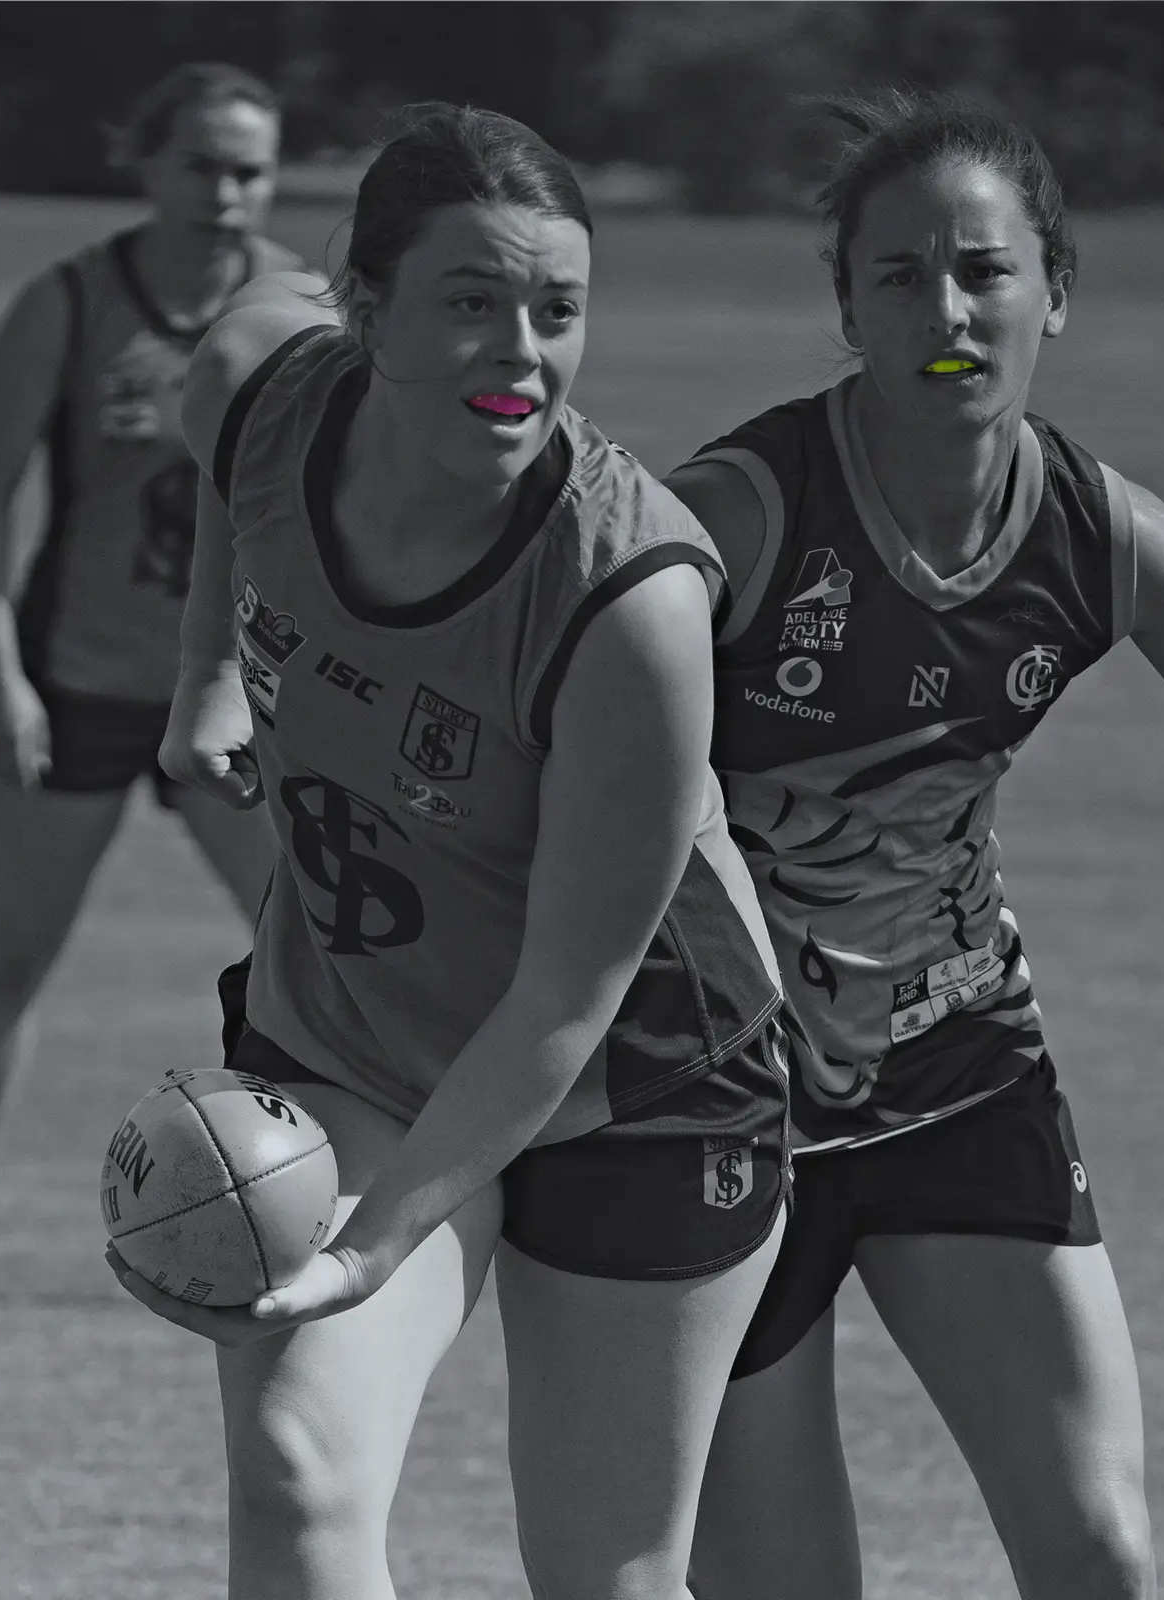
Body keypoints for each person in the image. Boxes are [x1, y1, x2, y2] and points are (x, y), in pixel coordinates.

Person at [669, 90, 1164, 1600]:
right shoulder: (740, 518)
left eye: (984, 269)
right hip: (719, 1103)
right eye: (898, 276)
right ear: (847, 310)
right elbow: (562, 736)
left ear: (1058, 293)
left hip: (960, 1072)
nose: (947, 308)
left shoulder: (1099, 533)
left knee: (1102, 1557)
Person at [105, 102, 790, 1600]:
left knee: (604, 1579)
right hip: (355, 1039)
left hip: (641, 1087)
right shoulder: (270, 391)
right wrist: (206, 671)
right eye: (471, 303)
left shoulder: (634, 599)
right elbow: (231, 425)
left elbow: (564, 996)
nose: (523, 352)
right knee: (297, 1481)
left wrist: (374, 1249)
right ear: (363, 307)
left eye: (557, 312)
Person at [0, 64, 298, 1290]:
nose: (226, 193)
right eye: (200, 164)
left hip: (229, 694)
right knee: (14, 950)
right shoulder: (71, 304)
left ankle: (302, 1194)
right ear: (142, 160)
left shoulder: (301, 306)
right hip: (74, 679)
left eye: (250, 168)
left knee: (303, 945)